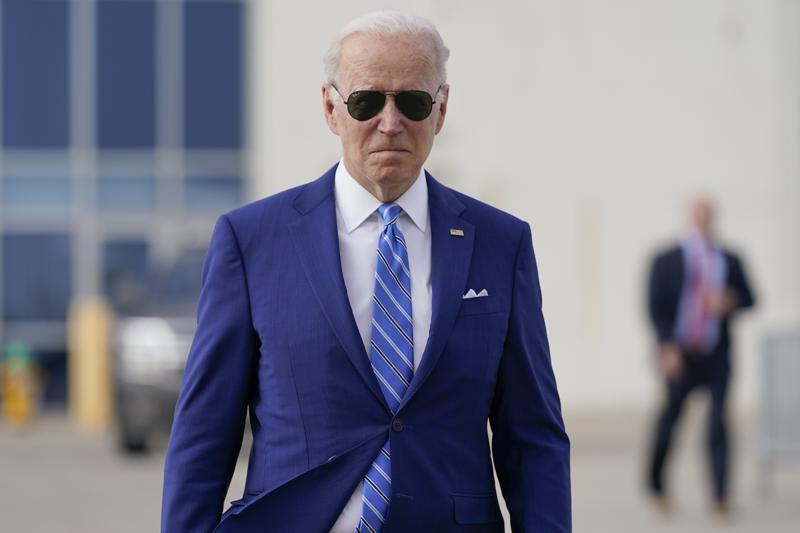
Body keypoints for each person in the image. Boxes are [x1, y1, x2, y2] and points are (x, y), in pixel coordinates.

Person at [162, 11, 571, 533]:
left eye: (414, 102)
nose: (390, 121)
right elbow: (203, 435)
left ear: (441, 109)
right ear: (331, 107)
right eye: (367, 100)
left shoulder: (501, 243)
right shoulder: (251, 242)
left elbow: (532, 438)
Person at [646, 196, 755, 516]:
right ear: (689, 217)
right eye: (698, 215)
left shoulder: (730, 258)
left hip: (716, 354)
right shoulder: (667, 258)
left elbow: (751, 298)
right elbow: (655, 306)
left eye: (708, 215)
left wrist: (730, 301)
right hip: (680, 353)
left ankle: (720, 496)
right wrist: (666, 346)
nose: (703, 221)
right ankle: (657, 485)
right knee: (670, 421)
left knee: (719, 425)